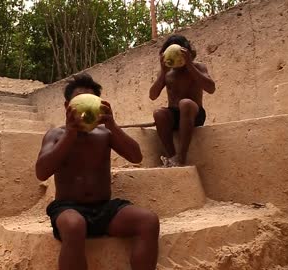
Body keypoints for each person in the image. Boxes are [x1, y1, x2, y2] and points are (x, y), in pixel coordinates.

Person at [35, 73, 159, 270]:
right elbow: (41, 172)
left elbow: (136, 157)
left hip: (104, 209)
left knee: (148, 221)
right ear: (67, 107)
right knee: (74, 226)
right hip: (68, 208)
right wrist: (70, 134)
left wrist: (112, 125)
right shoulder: (56, 135)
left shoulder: (105, 134)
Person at [149, 34, 216, 167]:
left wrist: (190, 66)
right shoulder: (166, 72)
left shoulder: (198, 67)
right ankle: (172, 156)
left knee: (185, 103)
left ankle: (181, 157)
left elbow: (211, 88)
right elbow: (153, 95)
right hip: (174, 116)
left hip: (194, 114)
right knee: (159, 113)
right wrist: (162, 73)